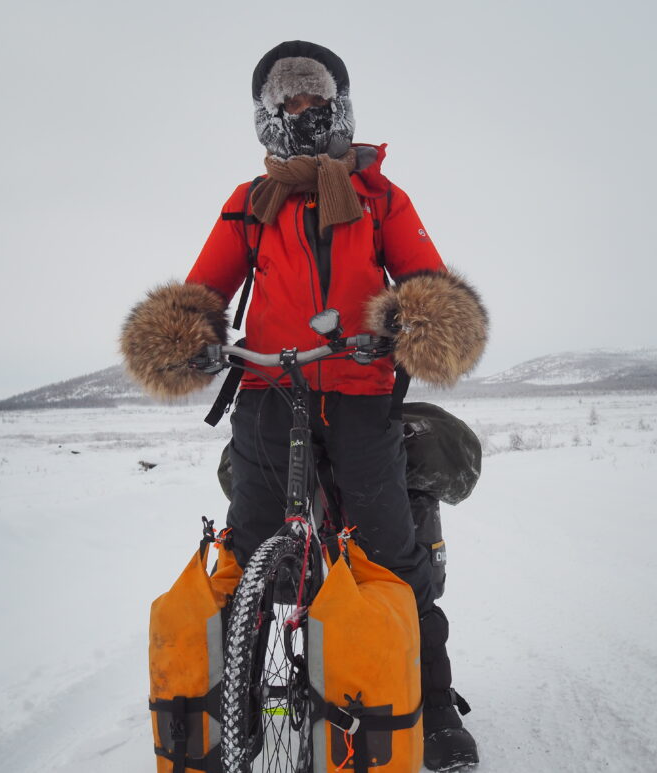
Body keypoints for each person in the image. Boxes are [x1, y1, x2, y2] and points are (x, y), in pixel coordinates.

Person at [122, 40, 487, 771]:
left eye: (314, 100)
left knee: (387, 551)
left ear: (337, 107)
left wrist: (410, 320)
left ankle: (435, 701)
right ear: (268, 116)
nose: (303, 111)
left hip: (358, 394)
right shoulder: (249, 203)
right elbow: (205, 289)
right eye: (287, 102)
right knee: (251, 545)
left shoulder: (381, 196)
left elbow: (428, 281)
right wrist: (191, 337)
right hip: (266, 393)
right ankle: (235, 703)